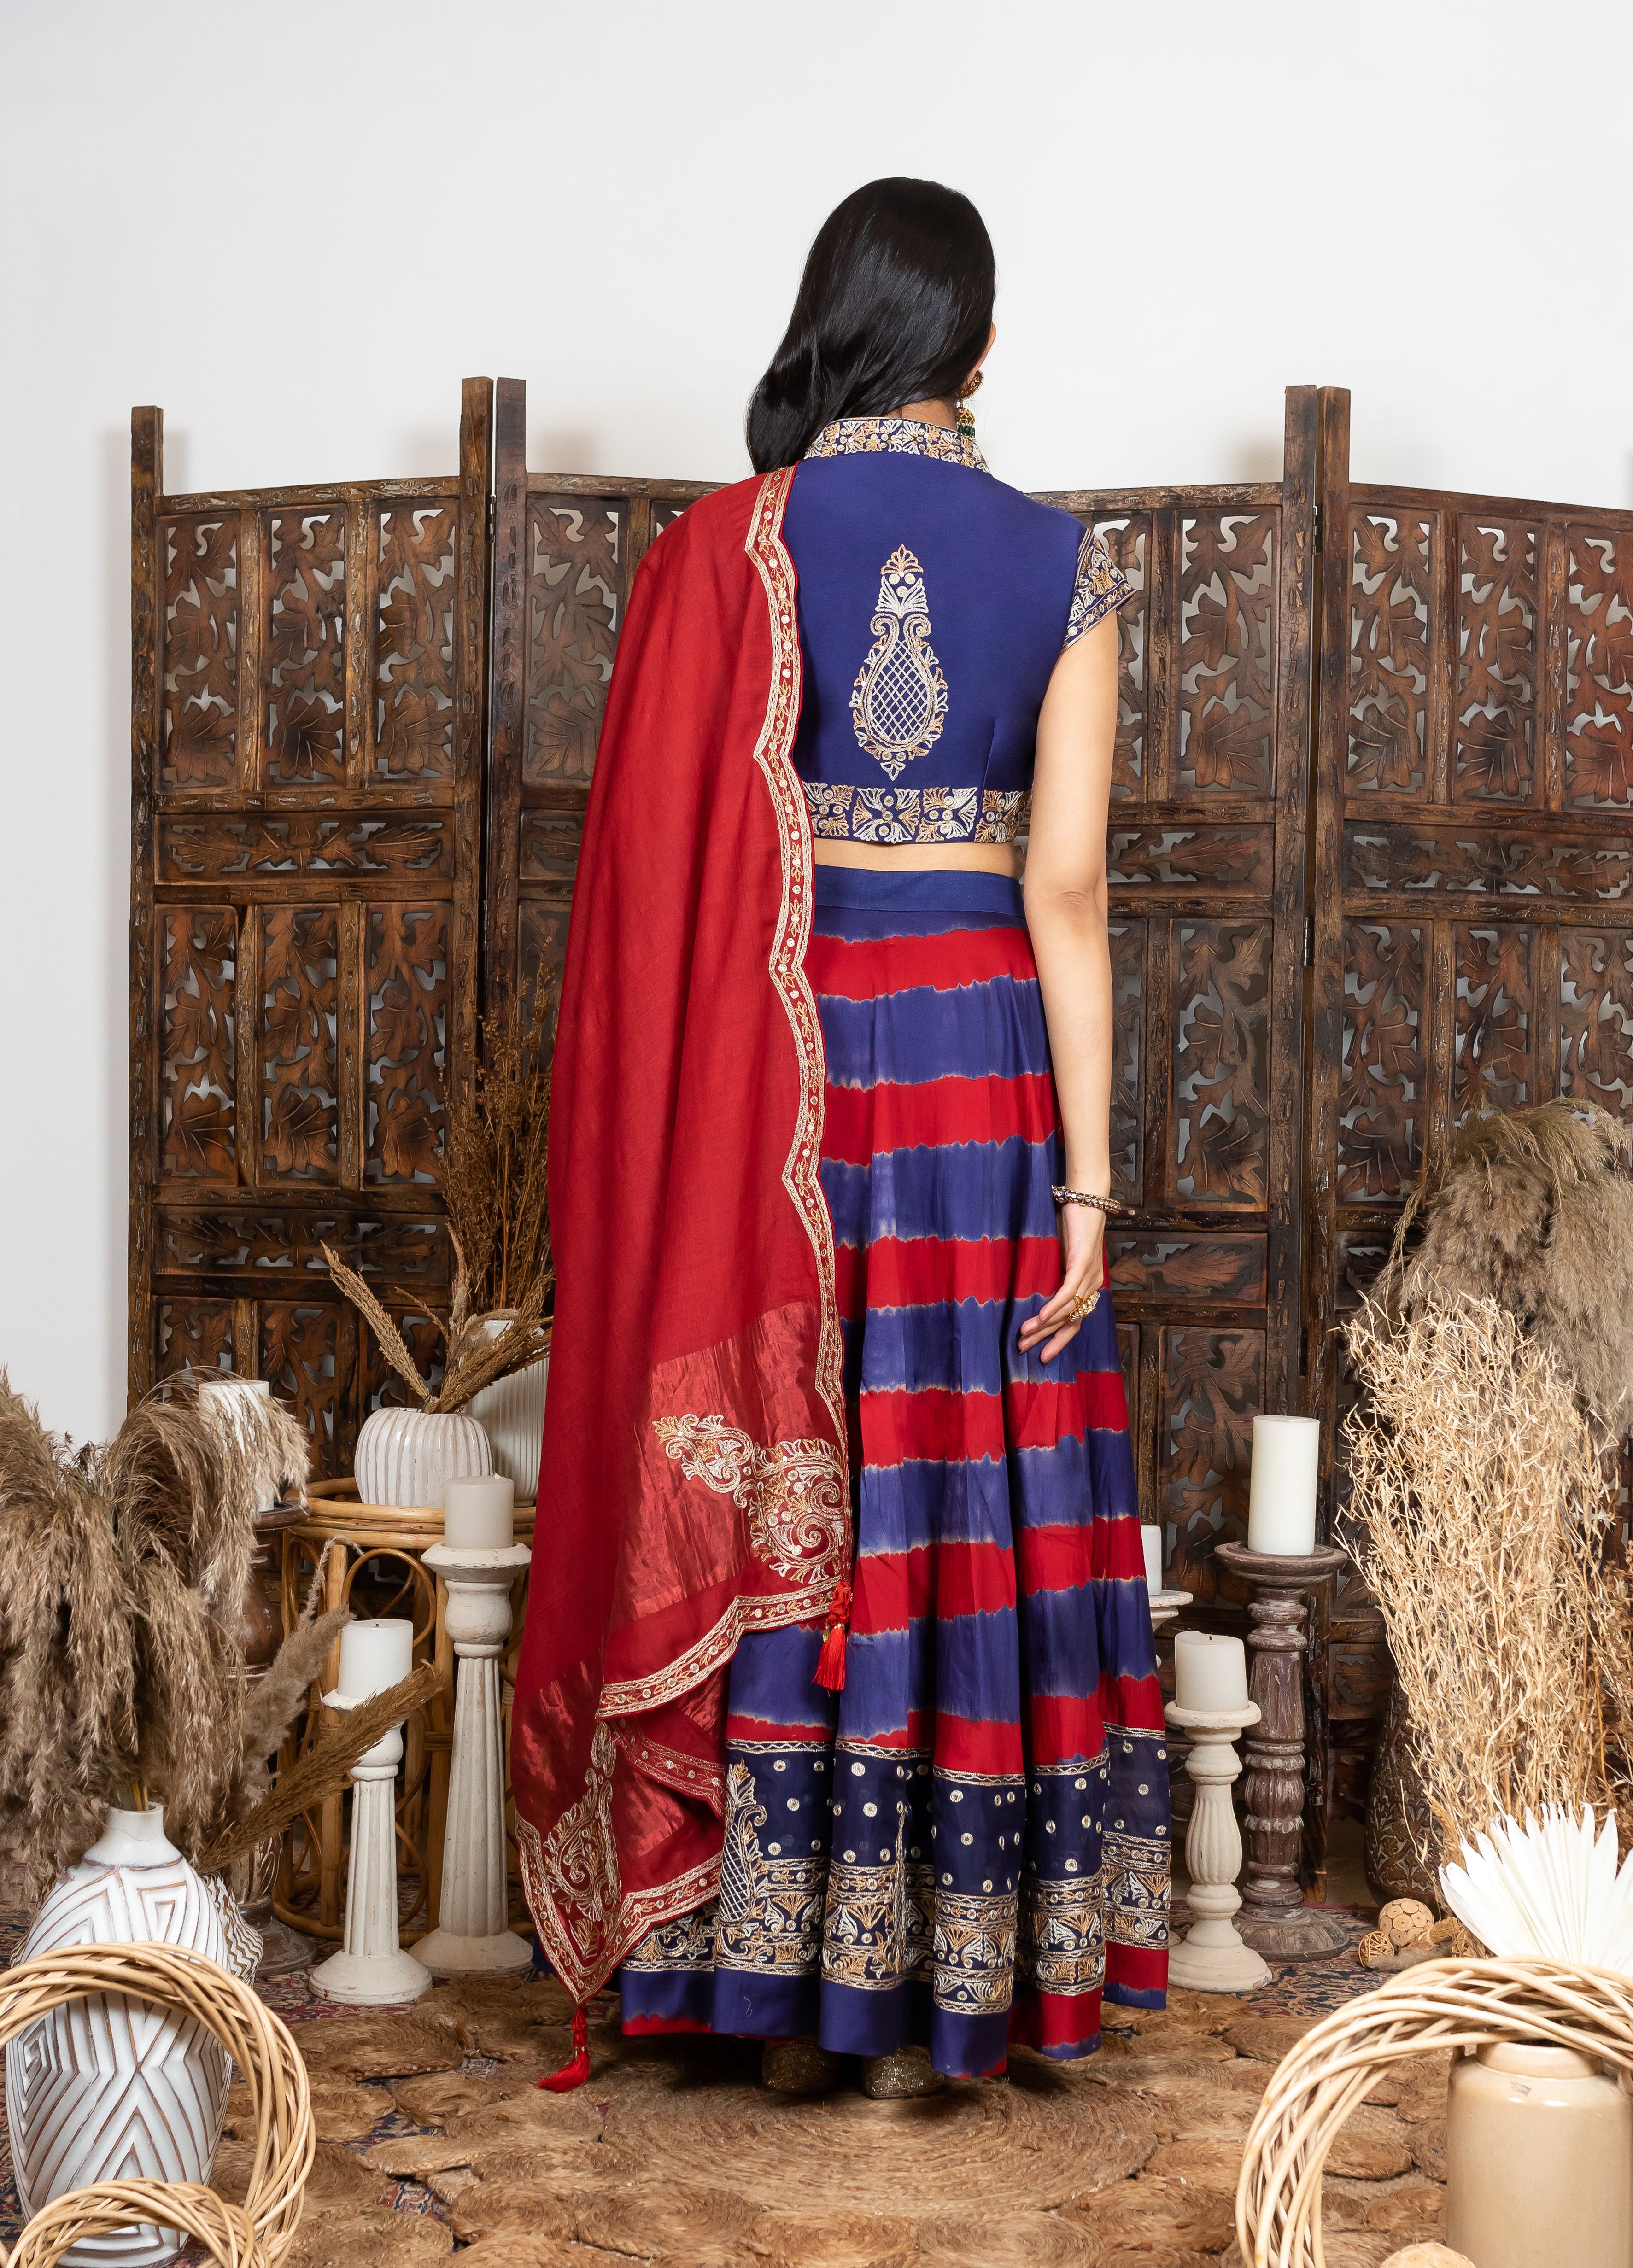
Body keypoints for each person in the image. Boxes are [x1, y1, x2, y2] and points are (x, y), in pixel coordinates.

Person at [513, 176, 1169, 2098]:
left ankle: (766, 1979)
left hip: (771, 1069)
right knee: (951, 1475)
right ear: (979, 343)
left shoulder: (723, 546)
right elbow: (1066, 892)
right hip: (973, 1068)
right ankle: (944, 1982)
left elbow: (653, 888)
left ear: (834, 322)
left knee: (796, 1464)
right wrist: (1090, 1183)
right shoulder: (1061, 563)